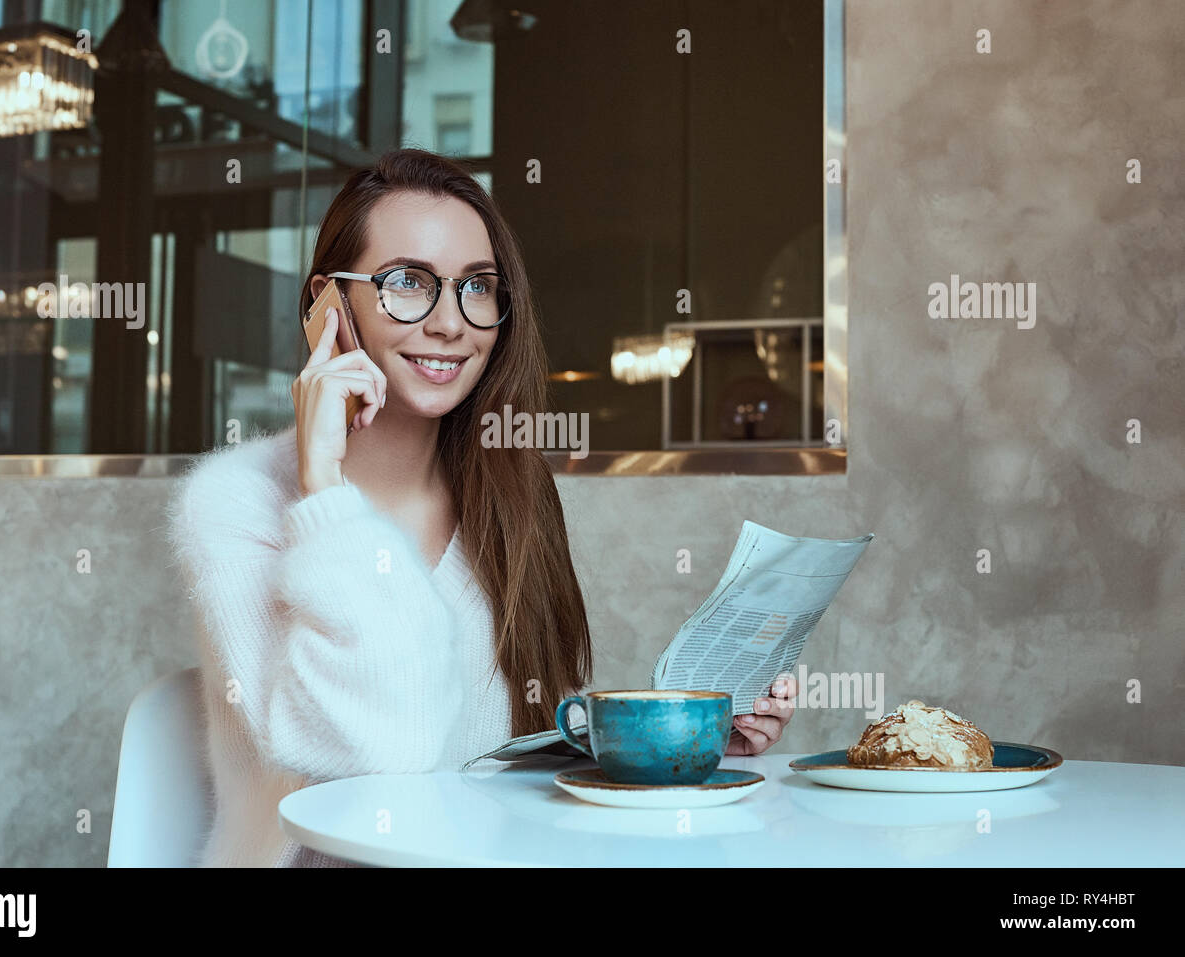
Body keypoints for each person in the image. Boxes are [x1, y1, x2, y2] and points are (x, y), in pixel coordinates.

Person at [166, 148, 794, 867]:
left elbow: (529, 751)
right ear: (328, 306)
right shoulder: (236, 503)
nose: (449, 323)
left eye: (478, 287)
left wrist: (689, 745)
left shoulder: (510, 492)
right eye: (408, 283)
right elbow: (379, 750)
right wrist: (323, 485)